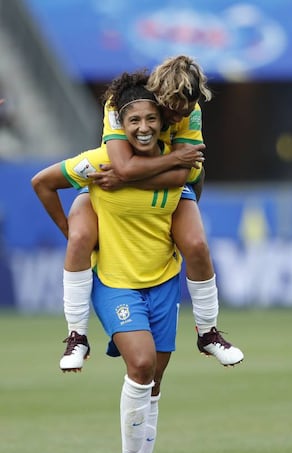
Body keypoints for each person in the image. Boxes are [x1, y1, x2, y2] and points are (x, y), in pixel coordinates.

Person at [32, 71, 201, 453]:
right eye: (133, 121)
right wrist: (74, 234)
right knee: (141, 365)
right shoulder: (101, 163)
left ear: (164, 123)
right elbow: (43, 182)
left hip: (162, 279)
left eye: (151, 119)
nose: (143, 128)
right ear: (120, 127)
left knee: (155, 381)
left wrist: (158, 171)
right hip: (115, 282)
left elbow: (189, 182)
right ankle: (76, 336)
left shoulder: (179, 164)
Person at [59, 55, 244, 372]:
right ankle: (76, 333)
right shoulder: (122, 103)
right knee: (79, 238)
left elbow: (182, 175)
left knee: (197, 245)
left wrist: (129, 175)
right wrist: (126, 173)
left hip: (169, 185)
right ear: (158, 95)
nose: (177, 116)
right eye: (170, 109)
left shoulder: (190, 109)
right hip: (113, 184)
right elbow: (121, 165)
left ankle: (207, 332)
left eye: (184, 111)